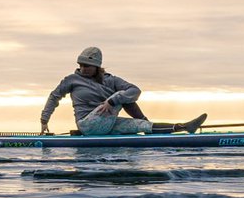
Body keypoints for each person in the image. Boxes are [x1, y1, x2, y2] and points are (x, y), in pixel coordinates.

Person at [40, 47, 207, 136]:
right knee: (120, 96)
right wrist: (44, 119)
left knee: (140, 122)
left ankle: (184, 127)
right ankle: (145, 123)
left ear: (97, 66)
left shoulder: (111, 79)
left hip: (107, 122)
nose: (83, 69)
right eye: (80, 65)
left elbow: (135, 90)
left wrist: (111, 102)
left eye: (87, 66)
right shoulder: (72, 80)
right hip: (87, 124)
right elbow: (54, 97)